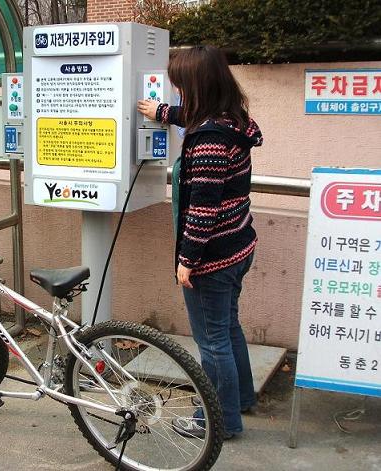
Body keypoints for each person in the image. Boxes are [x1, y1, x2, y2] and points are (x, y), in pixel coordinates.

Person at [137, 45, 263, 440]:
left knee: (212, 343)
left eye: (180, 89)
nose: (178, 96)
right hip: (239, 244)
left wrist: (187, 260)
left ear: (197, 87)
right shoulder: (232, 120)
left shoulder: (208, 139)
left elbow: (203, 208)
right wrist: (161, 113)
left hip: (212, 257)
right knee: (228, 329)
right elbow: (193, 118)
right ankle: (239, 400)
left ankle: (218, 420)